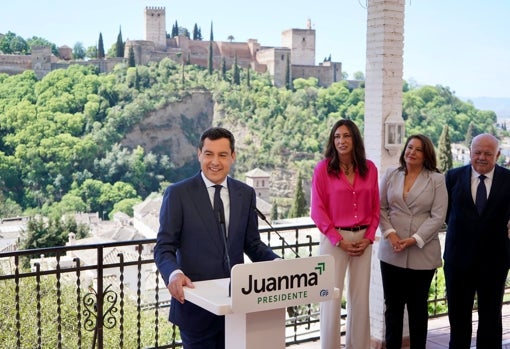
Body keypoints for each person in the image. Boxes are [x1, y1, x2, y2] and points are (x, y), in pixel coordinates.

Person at [154, 127, 279, 349]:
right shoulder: (177, 194)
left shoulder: (245, 193)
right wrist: (174, 273)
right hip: (195, 309)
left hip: (237, 308)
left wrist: (277, 264)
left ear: (233, 156)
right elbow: (164, 247)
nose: (215, 161)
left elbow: (252, 244)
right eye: (209, 154)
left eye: (222, 155)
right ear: (199, 154)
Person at [311, 119, 380, 349]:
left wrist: (369, 237)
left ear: (355, 139)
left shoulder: (369, 169)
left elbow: (375, 208)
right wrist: (337, 240)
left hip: (362, 240)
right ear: (333, 140)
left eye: (346, 136)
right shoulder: (323, 169)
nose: (341, 141)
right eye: (337, 136)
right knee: (329, 299)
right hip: (334, 241)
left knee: (360, 300)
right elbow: (317, 210)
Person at [378, 134, 448, 349]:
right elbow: (380, 207)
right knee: (393, 307)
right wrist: (391, 234)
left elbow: (438, 216)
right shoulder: (391, 174)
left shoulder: (436, 179)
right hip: (391, 250)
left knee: (417, 308)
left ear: (426, 154)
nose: (412, 152)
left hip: (422, 251)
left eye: (418, 149)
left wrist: (413, 239)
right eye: (409, 147)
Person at [444, 133, 510, 349]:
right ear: (470, 152)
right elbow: (445, 214)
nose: (482, 157)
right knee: (458, 317)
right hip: (458, 260)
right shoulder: (452, 177)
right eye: (477, 152)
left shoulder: (508, 180)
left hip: (495, 261)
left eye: (488, 153)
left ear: (497, 154)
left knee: (491, 318)